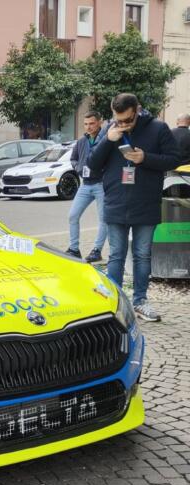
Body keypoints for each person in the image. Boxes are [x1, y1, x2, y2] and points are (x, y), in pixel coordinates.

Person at [87, 93, 180, 322]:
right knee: (116, 255)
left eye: (128, 120)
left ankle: (140, 301)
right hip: (116, 202)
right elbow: (92, 164)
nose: (123, 124)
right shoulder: (110, 129)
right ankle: (115, 304)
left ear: (137, 110)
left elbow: (174, 159)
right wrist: (108, 140)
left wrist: (145, 158)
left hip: (146, 202)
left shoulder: (158, 128)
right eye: (118, 119)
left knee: (142, 255)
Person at [66, 111, 107, 263]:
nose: (88, 127)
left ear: (99, 122)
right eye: (85, 124)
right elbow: (73, 158)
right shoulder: (82, 141)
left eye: (92, 123)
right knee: (73, 215)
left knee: (104, 219)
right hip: (85, 185)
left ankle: (97, 251)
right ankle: (74, 249)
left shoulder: (105, 139)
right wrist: (77, 167)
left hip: (101, 184)